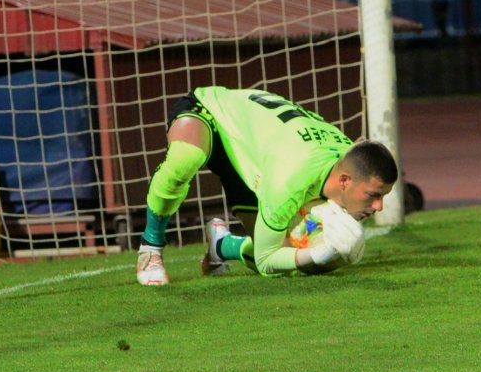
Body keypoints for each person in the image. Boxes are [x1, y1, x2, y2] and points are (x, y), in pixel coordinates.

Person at [134, 86, 398, 285]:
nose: (378, 206)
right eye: (374, 196)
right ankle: (150, 248)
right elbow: (265, 260)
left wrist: (317, 256)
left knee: (290, 260)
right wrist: (320, 254)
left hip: (253, 159)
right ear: (344, 181)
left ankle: (221, 245)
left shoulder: (348, 162)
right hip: (211, 113)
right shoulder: (293, 177)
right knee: (184, 160)